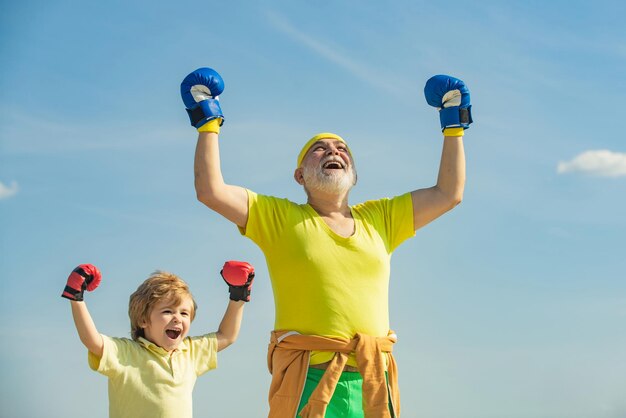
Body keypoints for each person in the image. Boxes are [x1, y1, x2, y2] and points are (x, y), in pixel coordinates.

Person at [180, 68, 472, 418]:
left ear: (354, 173)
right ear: (300, 175)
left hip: (372, 379)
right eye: (319, 149)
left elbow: (448, 193)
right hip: (308, 378)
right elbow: (210, 191)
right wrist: (207, 122)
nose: (333, 151)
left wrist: (454, 124)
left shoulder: (382, 217)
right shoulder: (279, 217)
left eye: (341, 149)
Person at [62, 260, 255, 418]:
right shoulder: (127, 353)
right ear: (144, 319)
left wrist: (238, 295)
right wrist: (76, 298)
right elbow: (92, 340)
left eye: (184, 313)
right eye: (168, 311)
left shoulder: (191, 352)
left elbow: (227, 336)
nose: (177, 318)